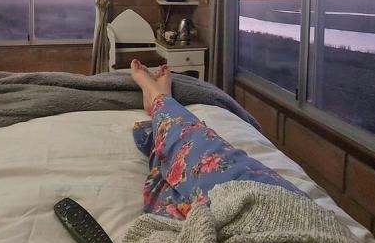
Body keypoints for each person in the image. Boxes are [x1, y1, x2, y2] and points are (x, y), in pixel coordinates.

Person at [130, 59, 303, 220]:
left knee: (196, 147)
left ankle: (157, 98)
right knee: (207, 154)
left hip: (260, 223)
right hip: (296, 211)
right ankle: (159, 100)